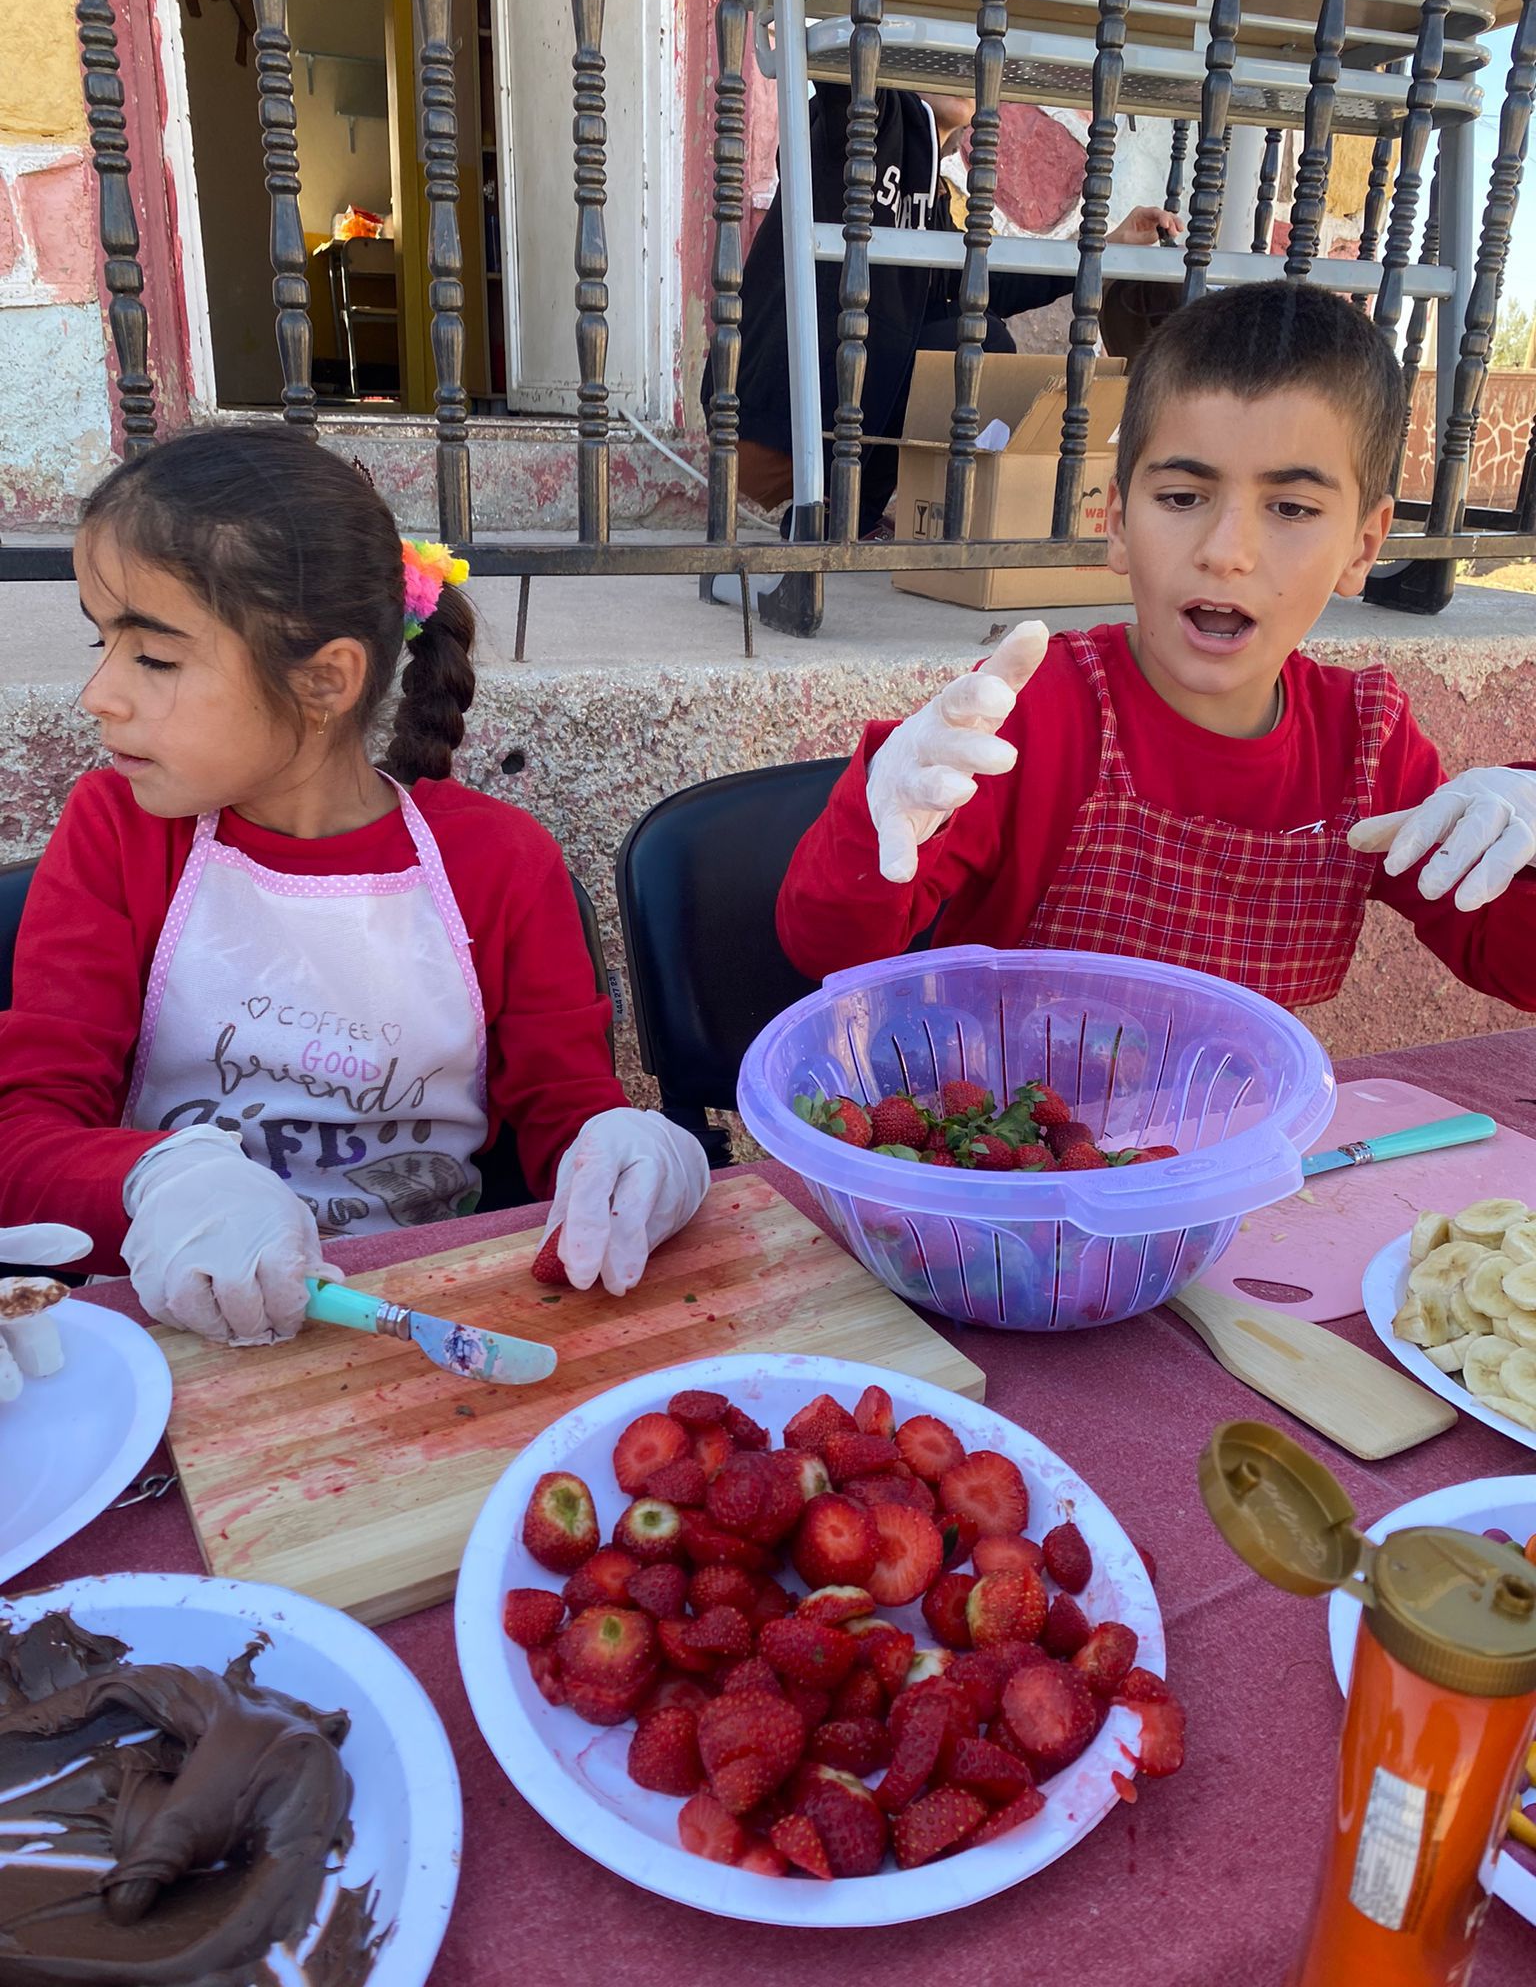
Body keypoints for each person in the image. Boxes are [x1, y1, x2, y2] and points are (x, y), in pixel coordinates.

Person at [0, 428, 708, 1343]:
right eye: (102, 641)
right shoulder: (118, 836)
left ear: (326, 679)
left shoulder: (499, 864)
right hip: (175, 1319)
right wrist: (155, 1182)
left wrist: (626, 1157)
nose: (99, 693)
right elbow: (21, 1138)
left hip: (426, 1311)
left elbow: (564, 1117)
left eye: (155, 658)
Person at [775, 280, 1536, 1012]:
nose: (1226, 550)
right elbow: (828, 946)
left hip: (1239, 1137)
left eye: (1292, 508)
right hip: (1018, 1136)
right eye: (1181, 497)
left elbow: (1511, 961)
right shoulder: (1030, 712)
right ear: (1115, 522)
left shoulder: (1369, 746)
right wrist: (881, 807)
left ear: (1363, 547)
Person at [708, 84, 1179, 539]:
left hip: (828, 421)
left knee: (980, 339)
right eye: (948, 57)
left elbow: (991, 282)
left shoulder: (932, 204)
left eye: (971, 67)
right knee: (966, 341)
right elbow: (845, 75)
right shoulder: (869, 122)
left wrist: (1109, 247)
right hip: (769, 413)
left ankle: (847, 516)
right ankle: (845, 512)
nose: (960, 72)